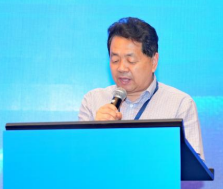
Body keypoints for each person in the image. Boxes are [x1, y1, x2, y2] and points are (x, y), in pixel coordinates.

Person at [78, 17, 205, 160]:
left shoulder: (180, 104)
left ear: (153, 62)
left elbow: (192, 165)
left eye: (131, 60)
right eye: (115, 60)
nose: (121, 68)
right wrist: (95, 133)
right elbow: (79, 161)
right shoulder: (93, 101)